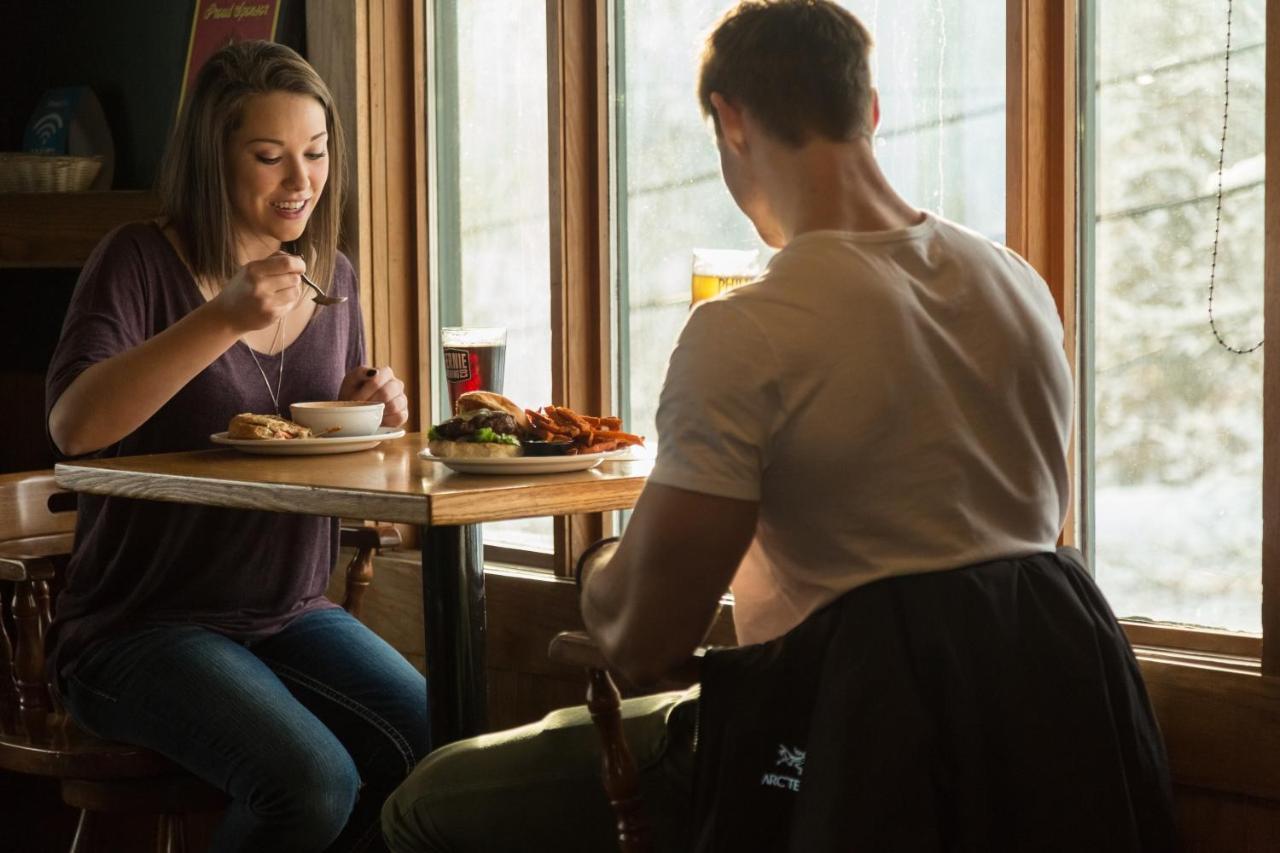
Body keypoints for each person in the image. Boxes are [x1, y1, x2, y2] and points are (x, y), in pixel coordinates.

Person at [382, 2, 1176, 851]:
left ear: (729, 119)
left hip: (835, 755)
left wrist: (601, 567)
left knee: (424, 800)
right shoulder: (1014, 282)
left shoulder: (748, 329)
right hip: (1044, 760)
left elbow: (648, 642)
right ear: (869, 109)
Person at [45, 40, 428, 852]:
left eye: (316, 155)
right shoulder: (139, 260)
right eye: (269, 157)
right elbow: (74, 425)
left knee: (438, 741)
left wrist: (373, 413)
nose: (301, 182)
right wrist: (221, 317)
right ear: (214, 160)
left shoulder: (335, 277)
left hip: (288, 612)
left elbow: (313, 449)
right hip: (139, 626)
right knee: (311, 783)